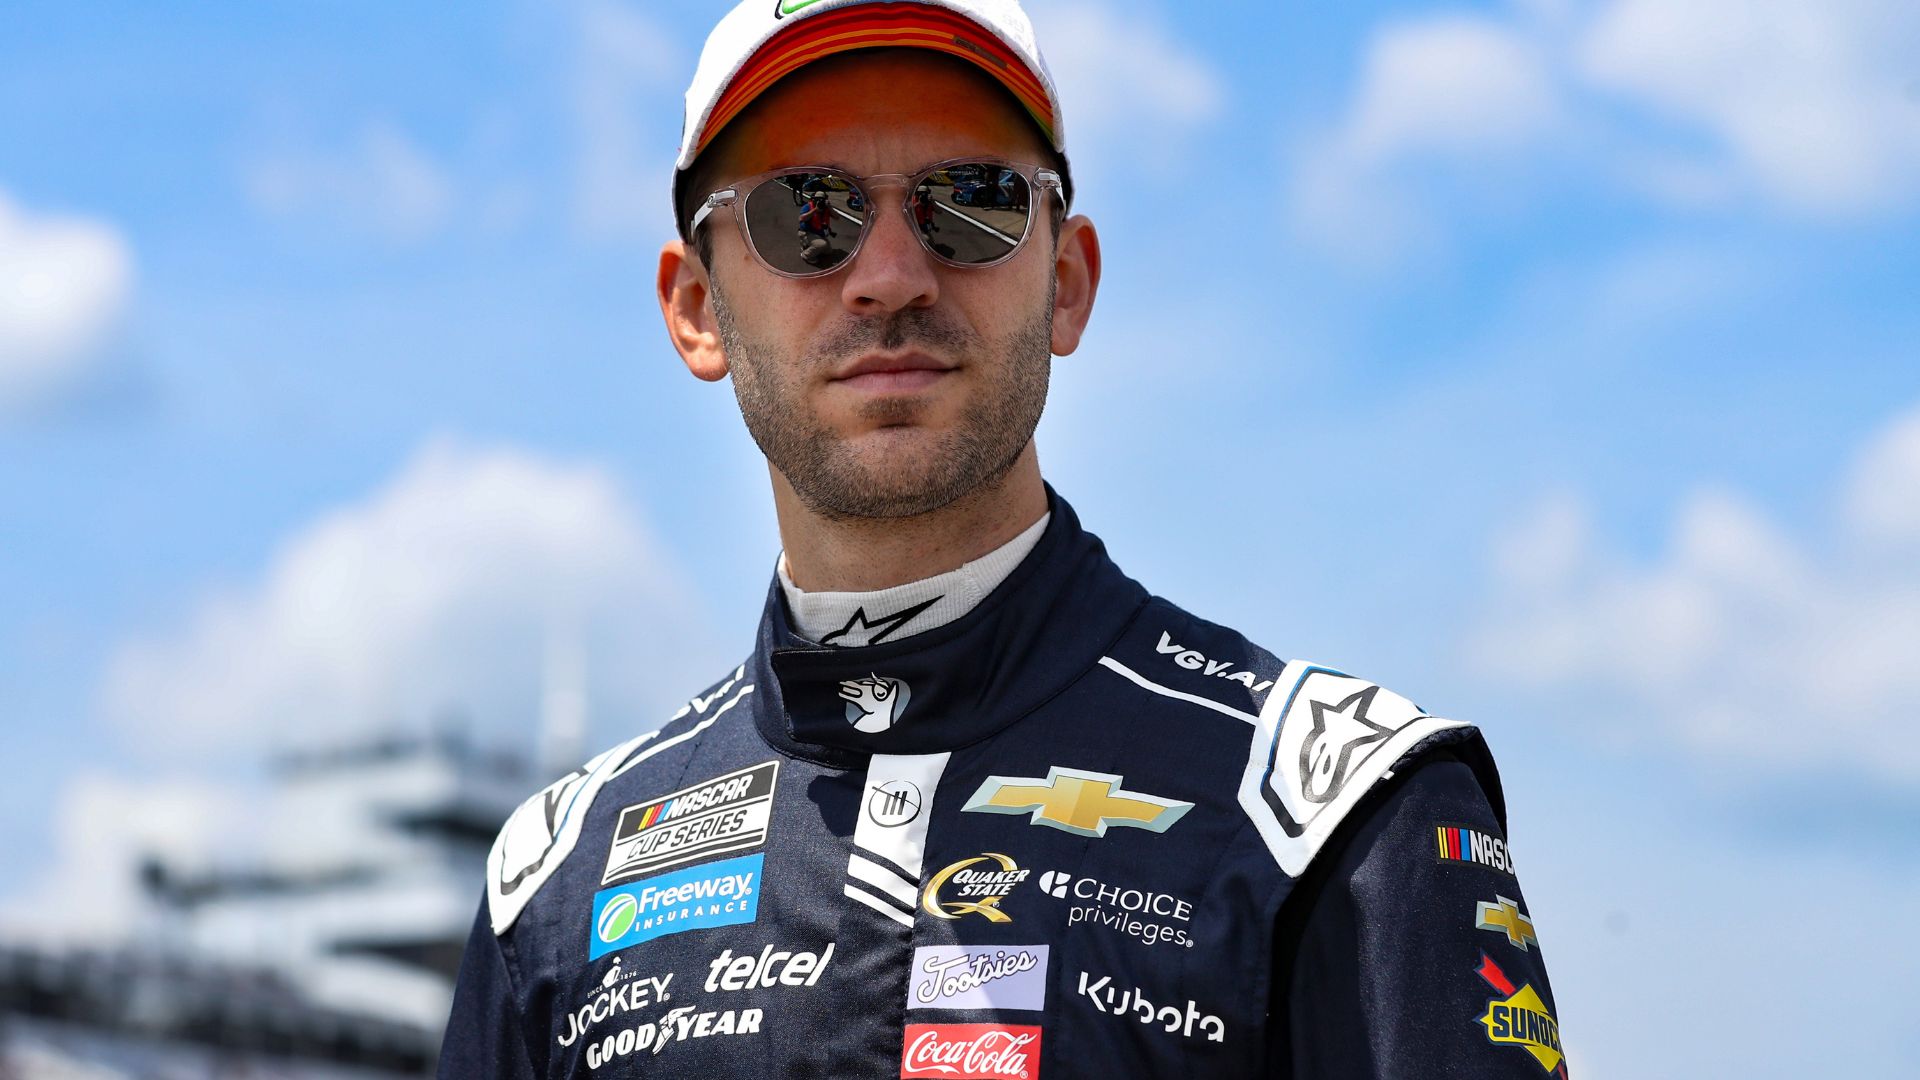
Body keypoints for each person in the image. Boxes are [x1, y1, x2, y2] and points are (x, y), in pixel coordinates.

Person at [440, 1, 1567, 1077]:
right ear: (696, 307)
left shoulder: (1338, 815)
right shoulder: (555, 884)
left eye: (968, 202)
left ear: (1066, 282)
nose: (887, 278)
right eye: (806, 213)